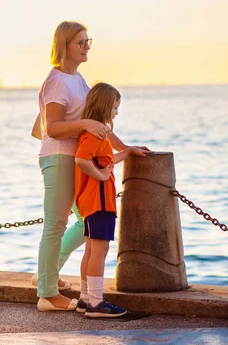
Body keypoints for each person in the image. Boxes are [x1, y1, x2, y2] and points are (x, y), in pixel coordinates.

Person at [33, 21, 150, 312]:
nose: (87, 47)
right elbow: (52, 128)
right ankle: (47, 294)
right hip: (60, 157)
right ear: (64, 46)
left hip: (76, 161)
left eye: (88, 42)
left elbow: (98, 123)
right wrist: (84, 124)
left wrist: (124, 148)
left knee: (86, 225)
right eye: (81, 43)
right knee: (55, 226)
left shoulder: (78, 79)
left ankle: (47, 275)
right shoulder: (57, 80)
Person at [74, 83, 147, 317]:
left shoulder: (96, 134)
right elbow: (81, 160)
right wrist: (100, 176)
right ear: (106, 106)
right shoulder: (96, 135)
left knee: (90, 249)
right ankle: (96, 302)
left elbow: (104, 160)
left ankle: (85, 298)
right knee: (100, 250)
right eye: (115, 107)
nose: (117, 112)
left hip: (90, 202)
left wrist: (128, 151)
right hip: (100, 201)